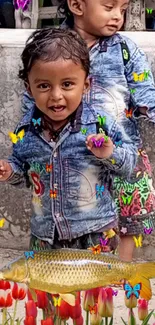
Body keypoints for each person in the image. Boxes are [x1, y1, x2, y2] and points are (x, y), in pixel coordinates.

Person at [0, 28, 138, 253]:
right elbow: (24, 175)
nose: (56, 95)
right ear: (29, 89)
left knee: (95, 289)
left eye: (67, 84)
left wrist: (109, 153)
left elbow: (129, 164)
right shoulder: (25, 132)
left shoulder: (100, 126)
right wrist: (9, 171)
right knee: (45, 287)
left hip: (95, 234)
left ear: (85, 86)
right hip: (45, 237)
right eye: (44, 86)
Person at [44, 0, 155, 262]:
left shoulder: (126, 50)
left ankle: (121, 271)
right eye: (109, 7)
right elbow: (35, 91)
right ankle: (83, 269)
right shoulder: (52, 49)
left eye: (123, 9)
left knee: (127, 216)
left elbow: (147, 94)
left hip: (122, 149)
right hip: (76, 154)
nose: (118, 16)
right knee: (80, 213)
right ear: (77, 6)